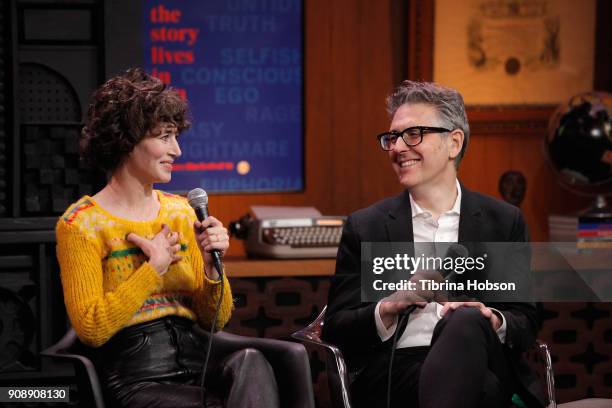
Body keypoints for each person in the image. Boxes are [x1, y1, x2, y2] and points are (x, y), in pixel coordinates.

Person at [56, 68, 280, 408]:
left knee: (251, 361)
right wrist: (152, 270)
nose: (176, 150)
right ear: (126, 140)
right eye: (164, 137)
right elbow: (91, 328)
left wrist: (211, 268)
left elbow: (215, 320)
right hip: (136, 381)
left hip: (197, 365)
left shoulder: (181, 212)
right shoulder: (81, 224)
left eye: (176, 137)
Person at [322, 81, 544, 408]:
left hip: (486, 359)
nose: (397, 147)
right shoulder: (366, 226)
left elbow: (526, 319)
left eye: (413, 134)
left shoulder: (502, 221)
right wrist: (389, 306)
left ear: (453, 143)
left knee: (467, 322)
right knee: (478, 390)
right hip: (398, 369)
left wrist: (491, 318)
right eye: (392, 138)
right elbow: (337, 328)